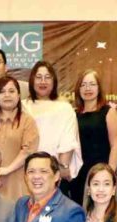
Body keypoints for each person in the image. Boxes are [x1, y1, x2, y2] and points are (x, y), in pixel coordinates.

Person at [0, 76, 39, 201]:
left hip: (17, 182)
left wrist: (6, 170)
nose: (7, 95)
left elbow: (27, 151)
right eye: (2, 92)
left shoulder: (28, 121)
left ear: (19, 95)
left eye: (11, 91)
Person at [22, 61, 79, 197]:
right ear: (32, 80)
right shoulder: (23, 106)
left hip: (55, 174)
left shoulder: (64, 108)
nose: (43, 81)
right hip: (25, 175)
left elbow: (68, 139)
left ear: (54, 81)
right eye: (39, 77)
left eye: (47, 77)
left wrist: (61, 169)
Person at [74, 69, 117, 203]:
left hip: (102, 172)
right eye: (83, 85)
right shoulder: (74, 115)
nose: (87, 88)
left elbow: (116, 145)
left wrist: (110, 175)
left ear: (99, 88)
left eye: (92, 84)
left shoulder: (109, 112)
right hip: (79, 174)